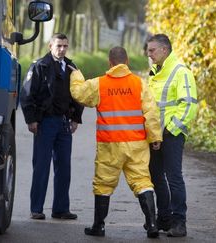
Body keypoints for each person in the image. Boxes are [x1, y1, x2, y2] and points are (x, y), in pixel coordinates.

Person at [68, 46, 163, 238]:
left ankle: (99, 226)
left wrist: (76, 74)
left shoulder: (99, 84)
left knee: (103, 183)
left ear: (109, 63)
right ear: (127, 62)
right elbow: (151, 113)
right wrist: (155, 137)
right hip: (136, 144)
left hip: (110, 144)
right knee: (142, 181)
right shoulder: (139, 84)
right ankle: (152, 224)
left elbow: (78, 94)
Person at [20, 33, 84, 220]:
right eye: (58, 46)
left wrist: (76, 118)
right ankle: (36, 209)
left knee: (64, 167)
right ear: (50, 46)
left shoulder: (72, 68)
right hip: (45, 122)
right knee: (41, 166)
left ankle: (61, 209)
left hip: (64, 123)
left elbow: (79, 93)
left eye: (65, 46)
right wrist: (31, 120)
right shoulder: (40, 66)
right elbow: (26, 95)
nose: (62, 49)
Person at [145, 34, 198, 237]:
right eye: (148, 50)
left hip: (172, 134)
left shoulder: (181, 72)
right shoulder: (155, 73)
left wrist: (168, 130)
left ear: (164, 50)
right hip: (156, 134)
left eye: (152, 50)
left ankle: (179, 222)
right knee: (156, 177)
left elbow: (189, 105)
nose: (148, 54)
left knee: (174, 177)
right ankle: (164, 219)